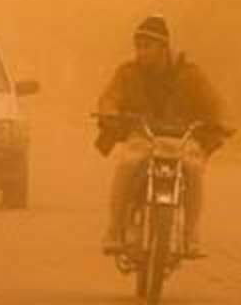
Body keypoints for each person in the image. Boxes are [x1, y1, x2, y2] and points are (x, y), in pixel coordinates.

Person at [95, 14, 225, 258]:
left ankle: (190, 235)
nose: (140, 52)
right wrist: (108, 113)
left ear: (164, 47)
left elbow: (214, 103)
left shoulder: (191, 74)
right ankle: (114, 230)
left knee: (194, 169)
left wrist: (220, 122)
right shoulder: (127, 73)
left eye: (147, 46)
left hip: (182, 140)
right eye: (138, 46)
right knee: (127, 164)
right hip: (142, 137)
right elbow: (110, 97)